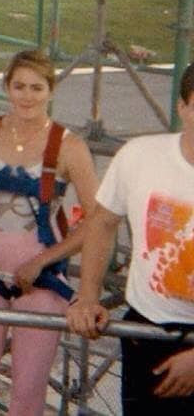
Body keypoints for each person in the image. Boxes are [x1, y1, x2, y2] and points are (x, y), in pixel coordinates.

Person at [0, 50, 99, 416]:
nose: (27, 96)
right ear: (7, 88)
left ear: (50, 90)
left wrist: (43, 260)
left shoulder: (69, 147)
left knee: (28, 390)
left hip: (40, 279)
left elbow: (98, 220)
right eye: (19, 86)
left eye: (37, 88)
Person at [67, 62, 194, 415]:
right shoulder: (140, 156)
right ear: (182, 108)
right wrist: (88, 297)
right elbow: (103, 222)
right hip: (147, 332)